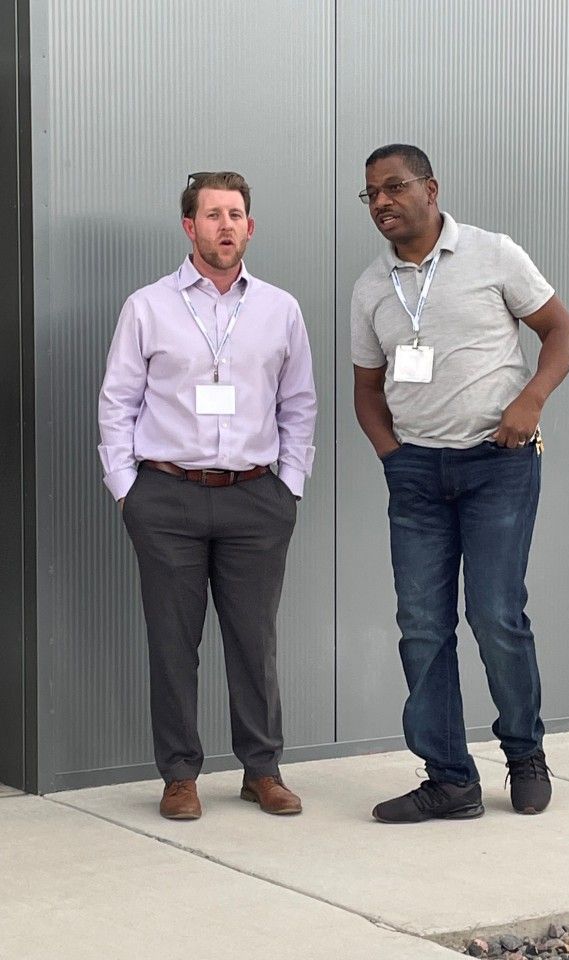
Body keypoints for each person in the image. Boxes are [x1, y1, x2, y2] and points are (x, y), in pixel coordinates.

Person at [351, 145, 569, 823]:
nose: (382, 202)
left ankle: (525, 754)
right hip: (417, 476)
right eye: (371, 194)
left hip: (496, 465)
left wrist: (531, 400)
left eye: (394, 187)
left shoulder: (492, 254)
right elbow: (367, 390)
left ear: (431, 188)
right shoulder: (371, 286)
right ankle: (450, 779)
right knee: (422, 626)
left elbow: (561, 332)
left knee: (496, 615)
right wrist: (394, 457)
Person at [98, 171, 316, 820]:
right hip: (167, 497)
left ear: (250, 226)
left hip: (255, 498)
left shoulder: (280, 308)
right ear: (189, 226)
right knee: (172, 643)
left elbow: (299, 403)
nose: (226, 225)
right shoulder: (147, 306)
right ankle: (179, 775)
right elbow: (117, 401)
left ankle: (262, 770)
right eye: (213, 214)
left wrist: (289, 486)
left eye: (236, 214)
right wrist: (126, 489)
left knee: (255, 641)